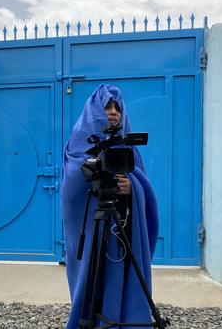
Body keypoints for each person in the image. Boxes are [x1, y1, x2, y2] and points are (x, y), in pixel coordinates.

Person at [60, 84, 159, 328]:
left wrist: (131, 188)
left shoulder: (127, 144)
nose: (113, 112)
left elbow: (141, 181)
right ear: (94, 111)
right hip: (93, 227)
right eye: (107, 107)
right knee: (93, 274)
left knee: (121, 270)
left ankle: (124, 319)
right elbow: (71, 190)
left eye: (117, 107)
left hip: (121, 225)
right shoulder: (78, 142)